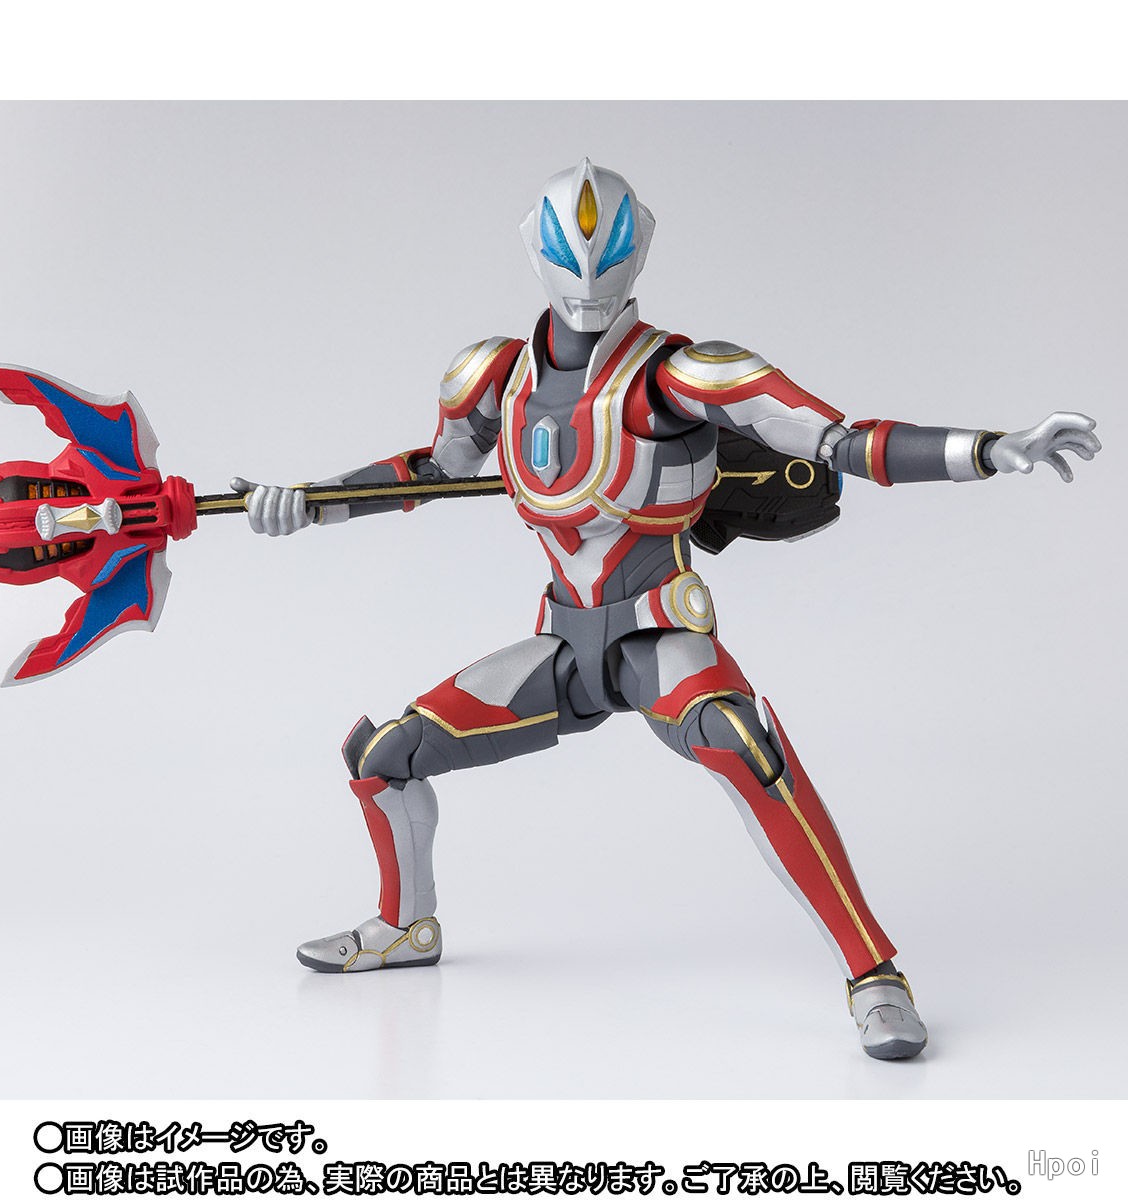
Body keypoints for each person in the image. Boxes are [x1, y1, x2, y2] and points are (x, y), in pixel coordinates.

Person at [233, 160, 1100, 1059]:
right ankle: (405, 928)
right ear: (535, 253)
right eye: (571, 260)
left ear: (638, 251)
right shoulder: (491, 378)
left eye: (607, 259)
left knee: (748, 748)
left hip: (660, 638)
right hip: (562, 645)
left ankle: (874, 975)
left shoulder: (685, 375)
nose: (588, 285)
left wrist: (991, 449)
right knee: (385, 757)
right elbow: (430, 471)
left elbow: (842, 443)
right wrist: (309, 501)